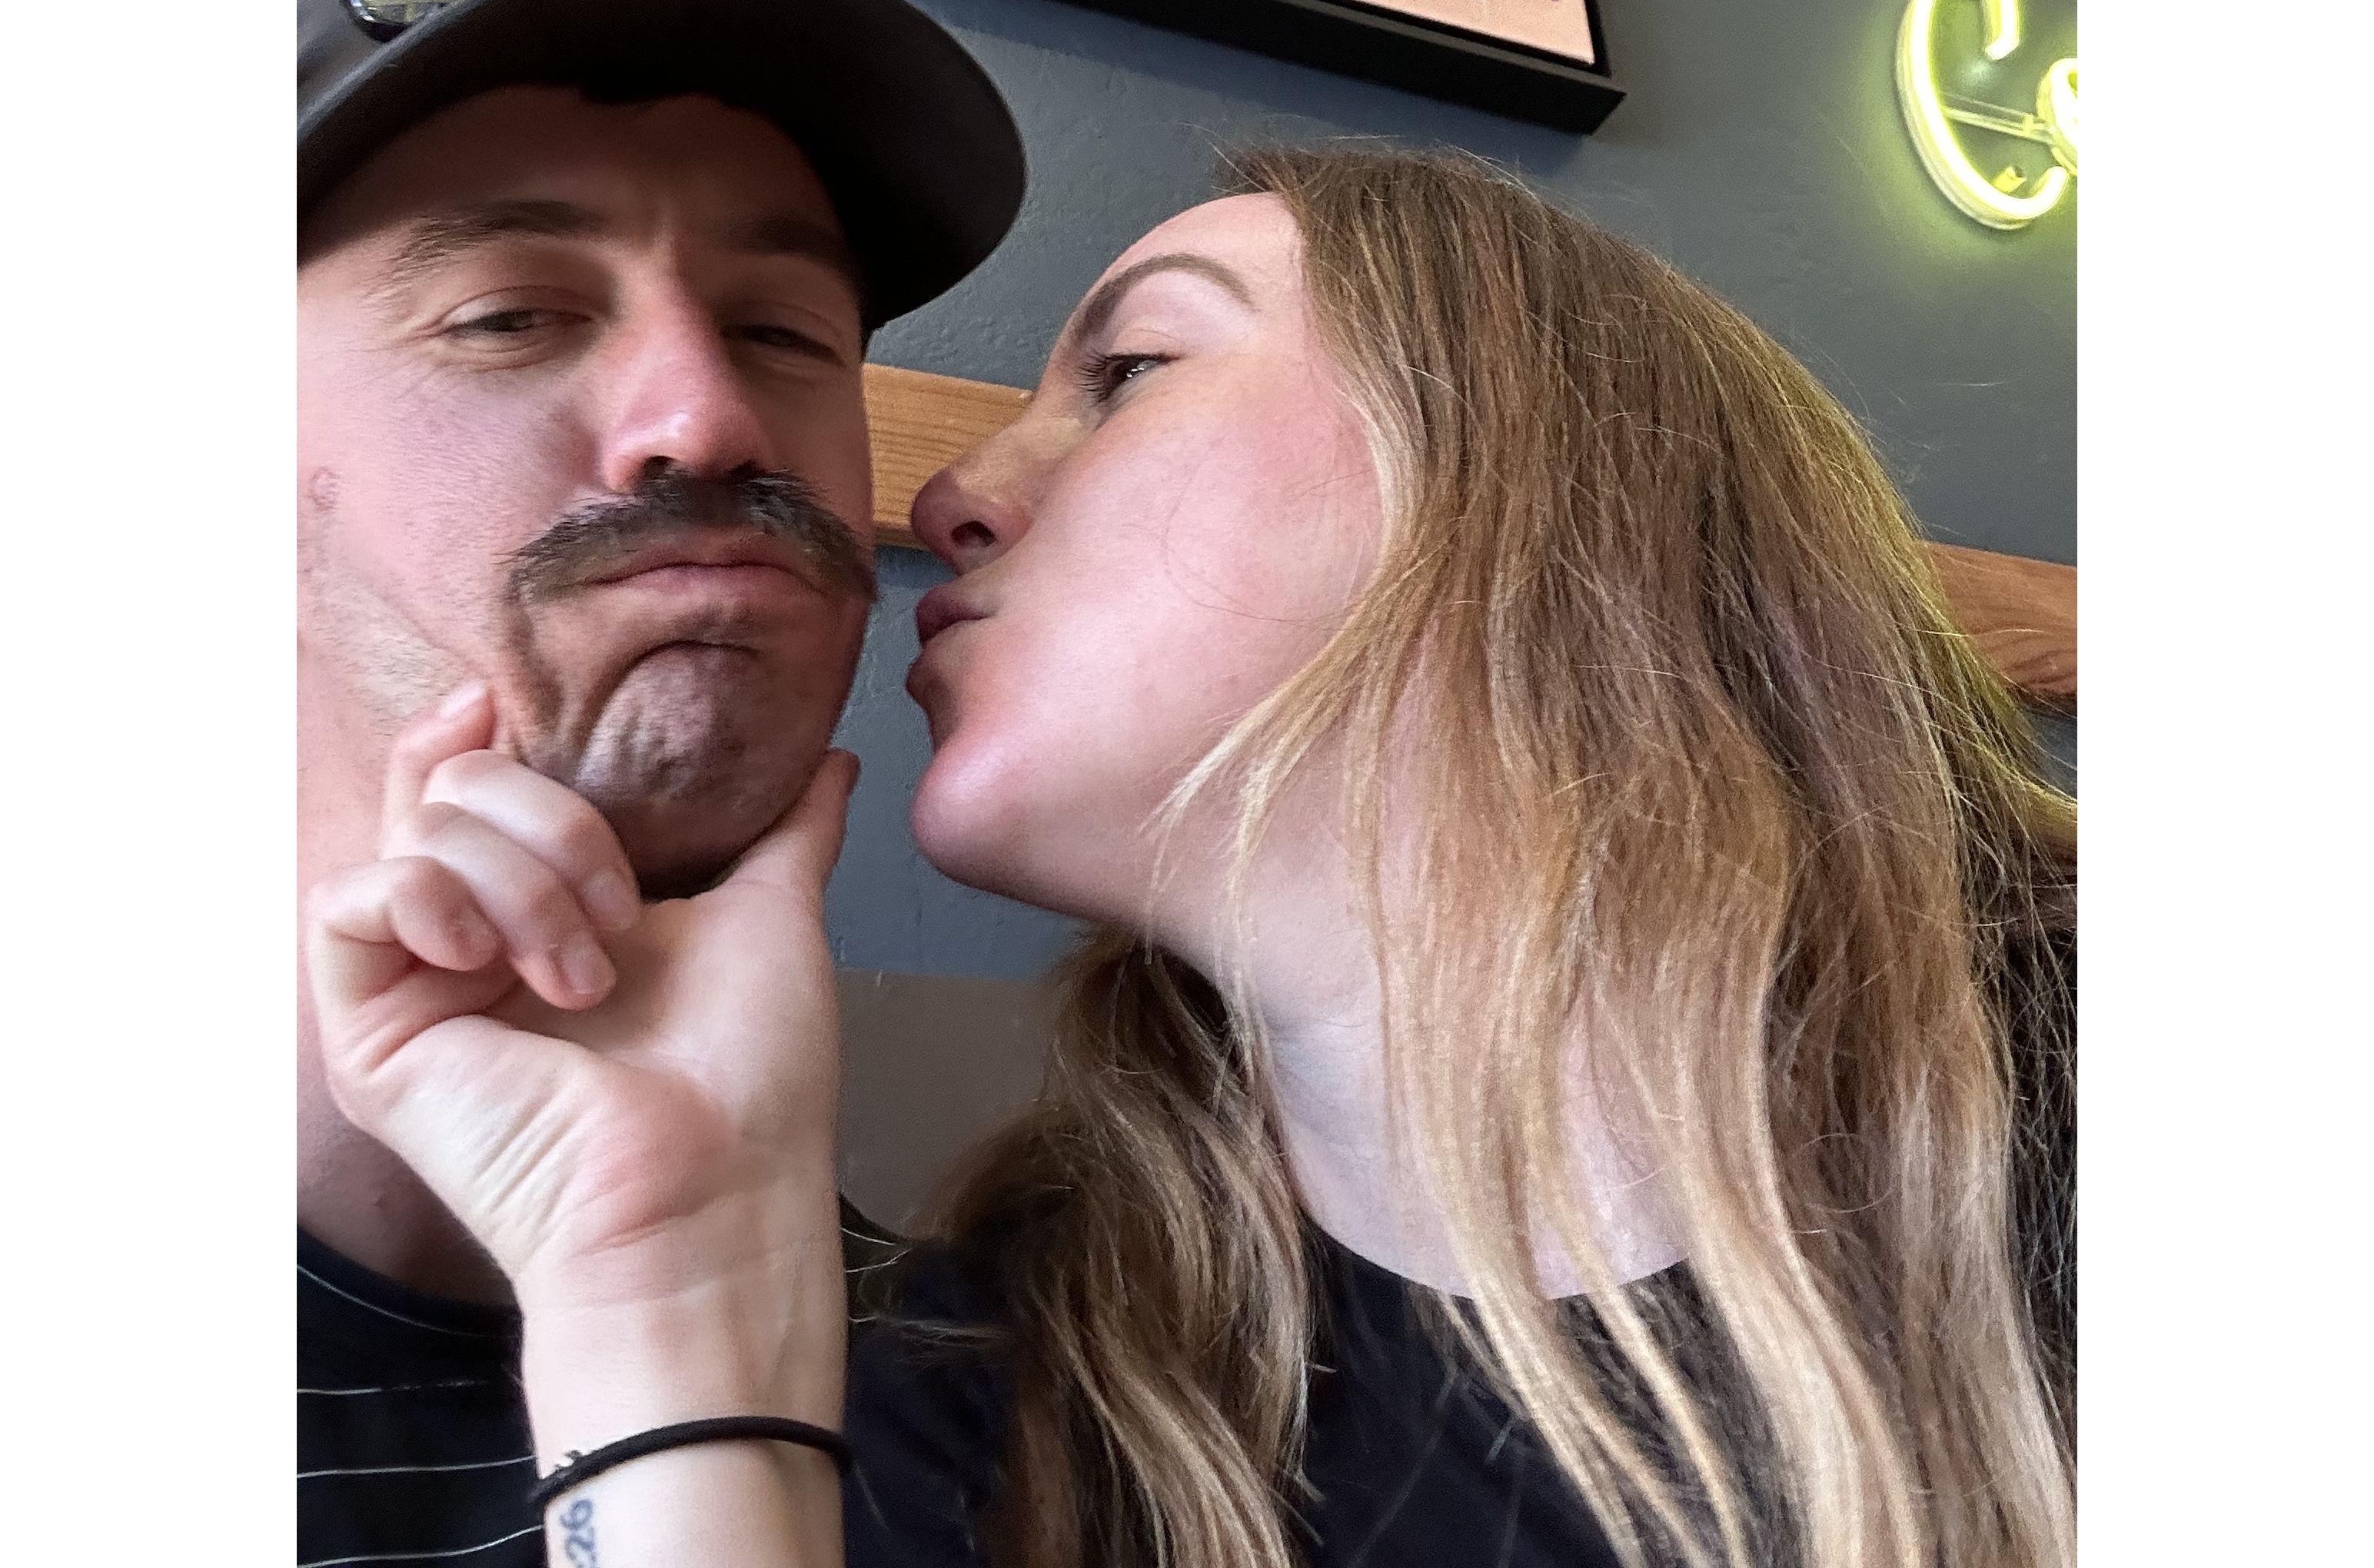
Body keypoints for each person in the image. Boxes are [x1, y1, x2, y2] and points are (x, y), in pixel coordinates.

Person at [311, 144, 2075, 1568]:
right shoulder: (1021, 1382)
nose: (944, 494)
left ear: (1539, 468)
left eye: (1129, 372)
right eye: (507, 314)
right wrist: (669, 1302)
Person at [296, 0, 1025, 1568]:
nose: (706, 415)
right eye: (511, 314)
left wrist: (671, 1315)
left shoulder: (1039, 1432)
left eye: (783, 330)